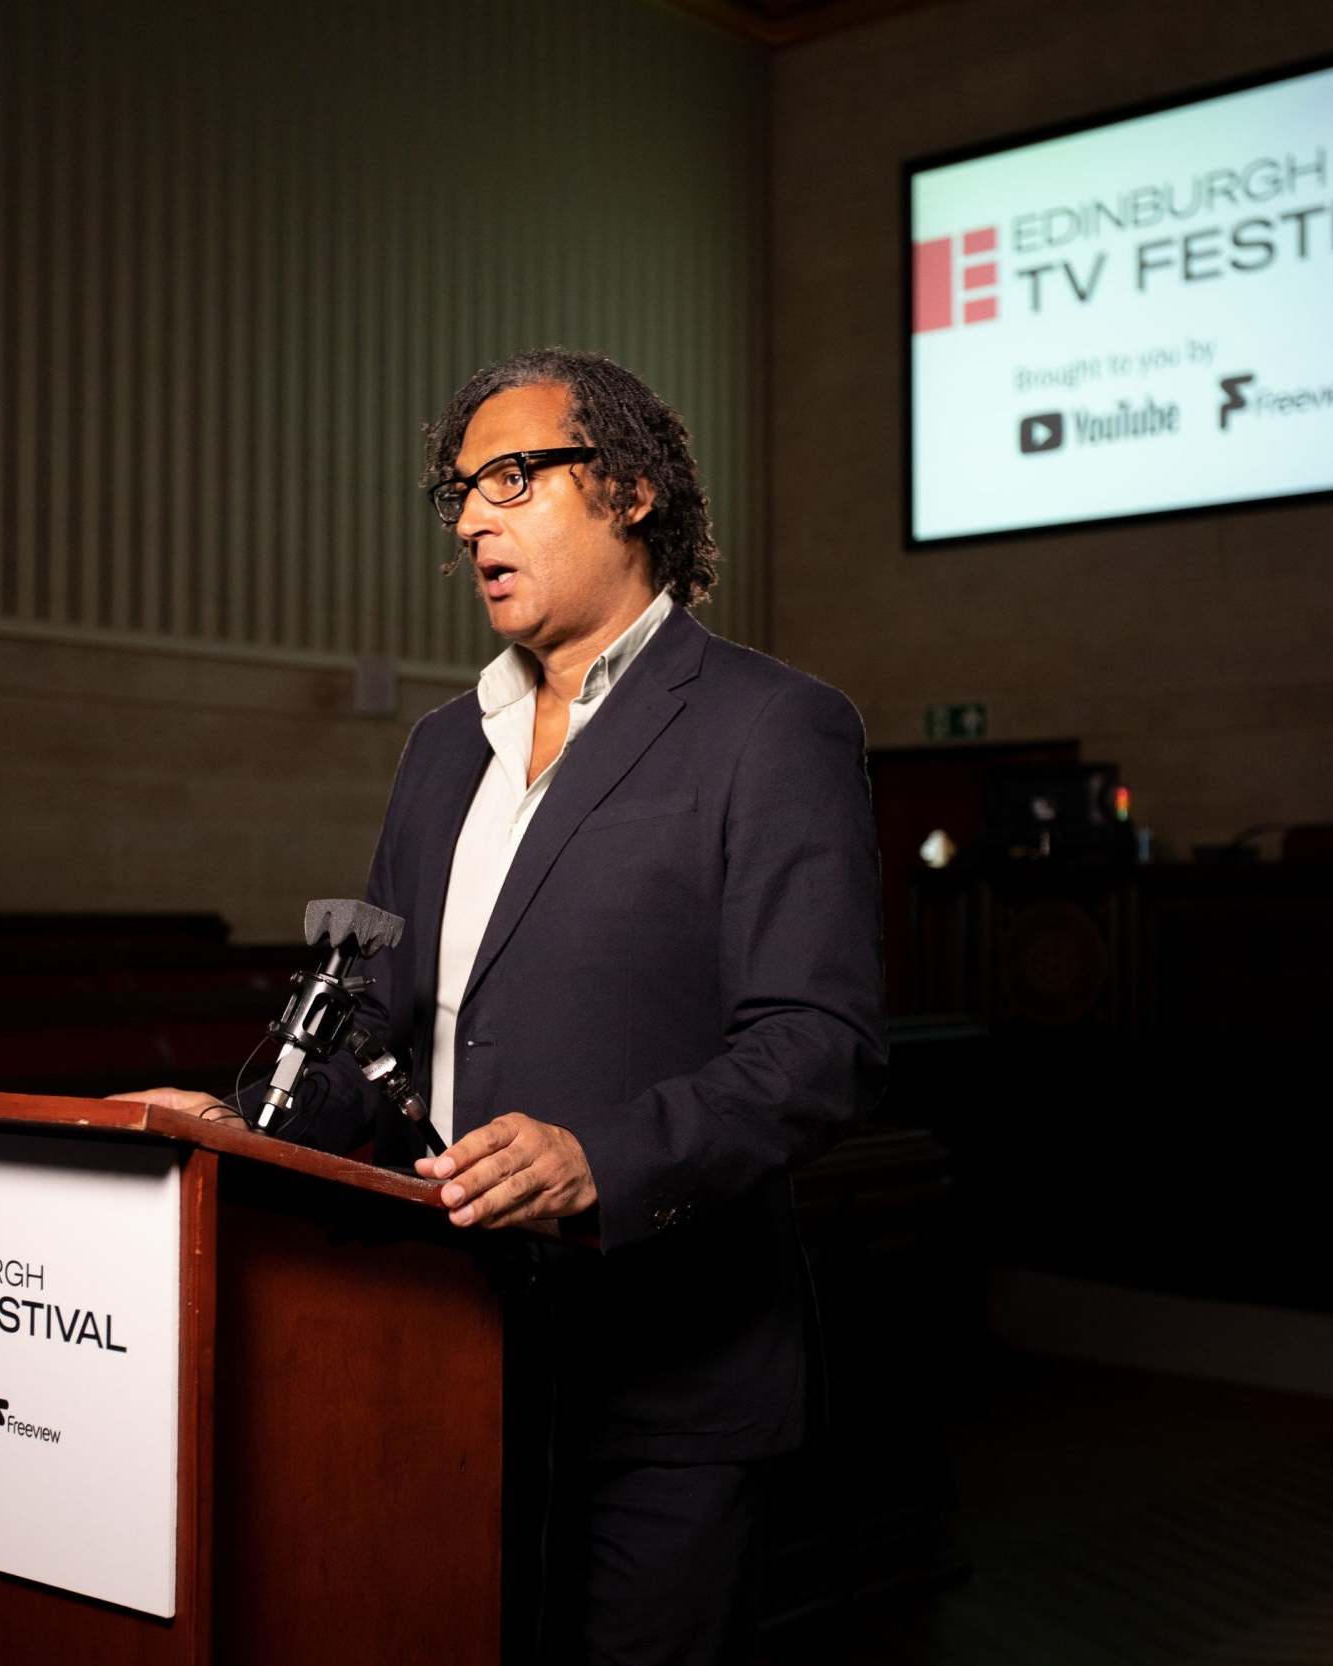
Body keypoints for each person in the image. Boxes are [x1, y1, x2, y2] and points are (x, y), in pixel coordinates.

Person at [127, 347, 885, 1664]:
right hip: (443, 1353)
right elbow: (379, 1025)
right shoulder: (441, 747)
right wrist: (234, 1126)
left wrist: (604, 1156)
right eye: (461, 493)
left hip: (670, 1379)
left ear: (633, 488)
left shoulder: (771, 726)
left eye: (514, 477)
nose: (473, 517)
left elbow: (817, 1049)